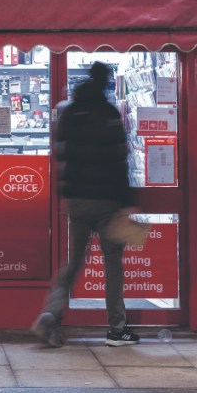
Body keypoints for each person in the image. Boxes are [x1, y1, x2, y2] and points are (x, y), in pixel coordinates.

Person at [31, 61, 140, 348]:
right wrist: (127, 202)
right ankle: (117, 330)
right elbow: (120, 161)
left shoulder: (69, 112)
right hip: (107, 201)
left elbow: (61, 154)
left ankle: (51, 314)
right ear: (106, 83)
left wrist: (67, 192)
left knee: (73, 262)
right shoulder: (109, 113)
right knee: (113, 264)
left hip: (77, 200)